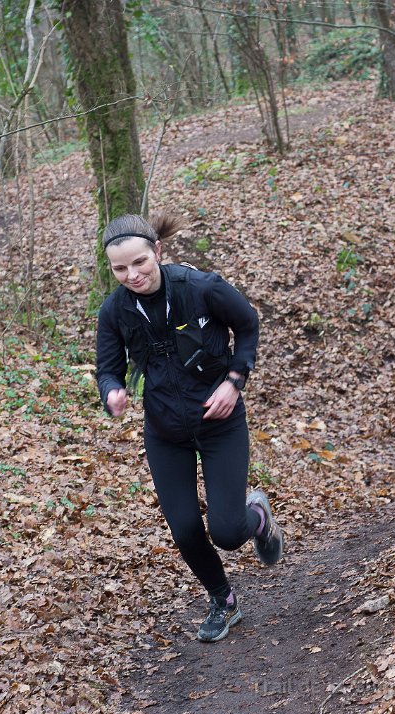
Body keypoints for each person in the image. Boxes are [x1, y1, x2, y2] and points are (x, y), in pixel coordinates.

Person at [96, 211, 283, 643]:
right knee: (184, 529)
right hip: (165, 432)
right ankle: (224, 601)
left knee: (227, 532)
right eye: (120, 269)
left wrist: (234, 381)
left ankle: (257, 518)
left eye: (140, 262)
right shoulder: (115, 311)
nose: (132, 275)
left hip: (220, 424)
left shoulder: (202, 287)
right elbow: (107, 368)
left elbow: (248, 324)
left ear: (157, 251)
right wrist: (112, 392)